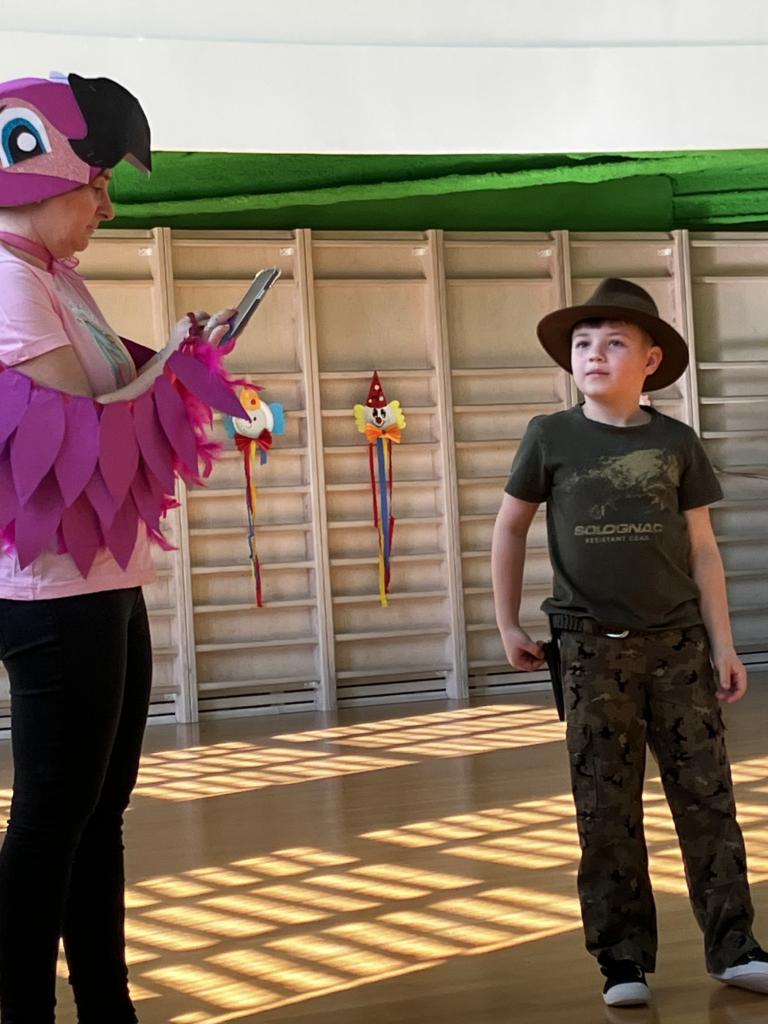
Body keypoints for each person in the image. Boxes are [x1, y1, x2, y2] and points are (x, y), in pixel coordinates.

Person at [0, 72, 243, 1023]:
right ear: (34, 171)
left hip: (98, 578)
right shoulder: (10, 279)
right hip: (55, 591)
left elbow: (106, 389)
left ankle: (109, 1006)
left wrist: (177, 359)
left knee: (98, 812)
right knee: (56, 818)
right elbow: (79, 429)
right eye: (97, 182)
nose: (106, 205)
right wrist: (177, 373)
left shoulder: (52, 275)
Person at [491, 277, 768, 1007]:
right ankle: (622, 962)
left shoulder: (676, 443)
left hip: (679, 648)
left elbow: (703, 549)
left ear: (650, 361)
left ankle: (734, 946)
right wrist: (508, 622)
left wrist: (724, 645)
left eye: (614, 342)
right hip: (589, 651)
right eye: (583, 343)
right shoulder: (549, 436)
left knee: (707, 800)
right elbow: (510, 527)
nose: (594, 353)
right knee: (604, 808)